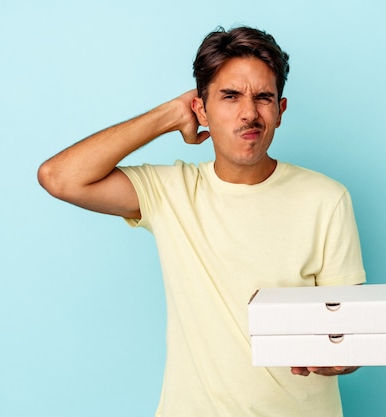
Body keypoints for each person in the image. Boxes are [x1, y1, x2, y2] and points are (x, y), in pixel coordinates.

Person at [38, 26, 366, 417]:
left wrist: (345, 357)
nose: (249, 113)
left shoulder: (327, 198)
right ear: (201, 108)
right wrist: (170, 114)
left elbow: (350, 335)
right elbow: (59, 177)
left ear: (280, 111)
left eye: (263, 98)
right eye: (230, 96)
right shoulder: (170, 192)